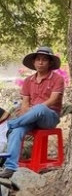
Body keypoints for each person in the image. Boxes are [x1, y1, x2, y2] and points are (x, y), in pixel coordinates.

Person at [0, 47, 65, 179]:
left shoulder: (57, 79)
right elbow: (25, 104)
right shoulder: (28, 81)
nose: (41, 62)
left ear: (50, 63)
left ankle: (10, 125)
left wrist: (34, 109)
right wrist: (28, 110)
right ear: (34, 62)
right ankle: (10, 167)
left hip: (49, 117)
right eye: (38, 59)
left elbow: (54, 99)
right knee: (17, 131)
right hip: (31, 118)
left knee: (40, 108)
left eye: (44, 60)